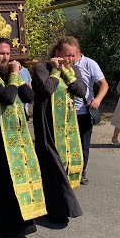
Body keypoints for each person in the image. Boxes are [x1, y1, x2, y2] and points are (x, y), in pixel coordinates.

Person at [0, 37, 47, 238]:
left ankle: (25, 221)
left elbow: (29, 97)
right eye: (1, 53)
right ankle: (7, 227)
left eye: (8, 53)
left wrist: (16, 76)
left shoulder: (10, 74)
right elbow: (7, 98)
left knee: (21, 178)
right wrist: (14, 76)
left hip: (18, 135)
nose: (5, 57)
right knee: (4, 183)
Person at [32, 38, 86, 224]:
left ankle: (60, 206)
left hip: (66, 125)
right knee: (50, 164)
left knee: (63, 164)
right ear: (57, 54)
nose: (70, 59)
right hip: (46, 123)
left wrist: (68, 74)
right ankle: (55, 208)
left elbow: (81, 91)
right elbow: (46, 90)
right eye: (67, 55)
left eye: (73, 56)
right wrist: (55, 71)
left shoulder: (73, 69)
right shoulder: (41, 67)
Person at [72, 36, 109, 185]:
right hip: (66, 111)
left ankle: (82, 172)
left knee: (83, 144)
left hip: (84, 111)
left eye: (72, 55)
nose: (70, 58)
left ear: (78, 52)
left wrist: (98, 100)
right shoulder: (62, 64)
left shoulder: (89, 64)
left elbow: (104, 84)